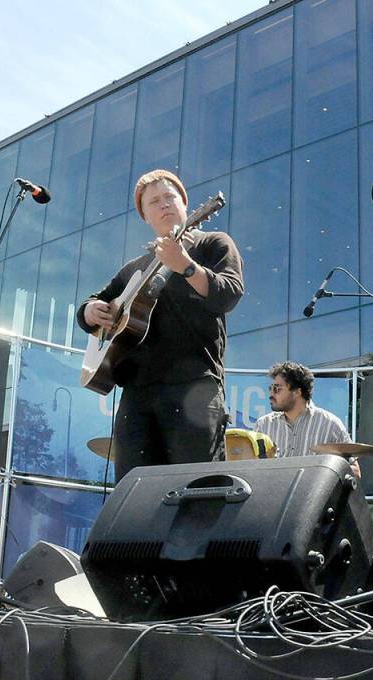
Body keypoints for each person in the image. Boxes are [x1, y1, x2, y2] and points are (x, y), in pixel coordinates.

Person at [77, 169, 244, 480]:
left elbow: (229, 294)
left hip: (194, 389)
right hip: (136, 396)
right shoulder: (133, 269)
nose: (164, 205)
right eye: (154, 202)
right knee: (134, 494)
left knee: (196, 489)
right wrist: (90, 311)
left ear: (185, 204)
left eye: (170, 197)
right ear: (145, 216)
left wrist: (186, 266)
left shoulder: (213, 244)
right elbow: (91, 308)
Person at [254, 361, 360, 477]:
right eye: (270, 388)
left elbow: (355, 471)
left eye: (277, 389)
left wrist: (325, 470)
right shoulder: (263, 425)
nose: (271, 394)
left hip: (312, 494)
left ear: (297, 392)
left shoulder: (330, 425)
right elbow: (251, 468)